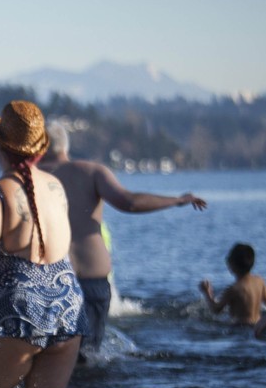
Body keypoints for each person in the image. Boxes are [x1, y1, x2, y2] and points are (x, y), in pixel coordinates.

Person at [0, 100, 88, 388]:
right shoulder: (55, 186)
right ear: (40, 149)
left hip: (19, 308)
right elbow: (17, 188)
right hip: (68, 307)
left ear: (0, 146)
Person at [42, 120, 207, 354]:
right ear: (65, 145)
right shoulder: (92, 171)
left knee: (50, 358)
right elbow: (129, 202)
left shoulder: (29, 178)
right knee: (89, 357)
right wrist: (177, 200)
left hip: (50, 279)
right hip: (93, 278)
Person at [199, 243, 266, 326]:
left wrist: (207, 293)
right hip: (258, 325)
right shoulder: (260, 282)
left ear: (232, 264)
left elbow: (216, 310)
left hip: (240, 327)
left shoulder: (233, 289)